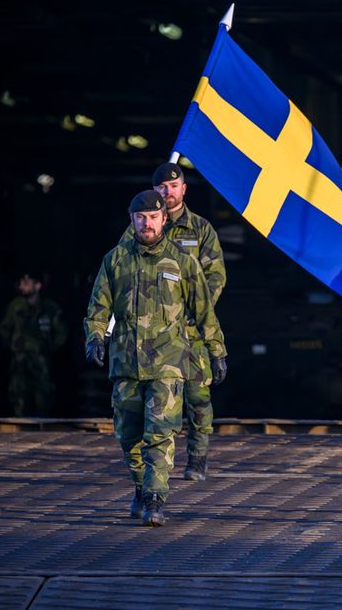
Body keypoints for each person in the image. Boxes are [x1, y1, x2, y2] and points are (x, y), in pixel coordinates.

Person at [84, 190, 227, 527]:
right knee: (128, 436)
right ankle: (139, 486)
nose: (147, 223)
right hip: (125, 363)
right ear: (131, 220)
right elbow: (98, 307)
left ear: (164, 218)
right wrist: (95, 337)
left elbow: (204, 311)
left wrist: (216, 350)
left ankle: (154, 499)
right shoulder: (115, 261)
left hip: (168, 363)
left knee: (161, 433)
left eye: (152, 217)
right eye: (140, 217)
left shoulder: (182, 262)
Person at [150, 162, 226, 481]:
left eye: (174, 186)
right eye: (162, 188)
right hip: (153, 332)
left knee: (197, 398)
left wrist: (192, 310)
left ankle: (197, 457)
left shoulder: (201, 229)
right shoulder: (146, 227)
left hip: (192, 331)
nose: (168, 192)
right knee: (156, 401)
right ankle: (156, 462)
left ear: (184, 188)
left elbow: (216, 277)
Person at [0, 271, 67, 416]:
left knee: (43, 401)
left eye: (27, 282)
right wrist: (14, 346)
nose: (22, 285)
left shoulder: (49, 309)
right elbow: (4, 329)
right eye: (21, 282)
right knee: (19, 401)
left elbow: (61, 333)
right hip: (19, 363)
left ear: (38, 286)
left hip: (42, 364)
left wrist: (48, 348)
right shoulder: (15, 307)